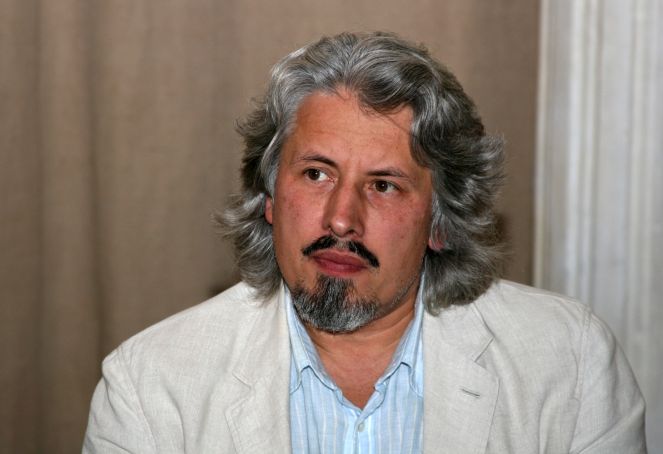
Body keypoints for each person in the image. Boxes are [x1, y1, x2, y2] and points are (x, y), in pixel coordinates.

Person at [83, 32, 646, 453]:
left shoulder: (569, 363)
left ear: (440, 222)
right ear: (269, 197)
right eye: (316, 174)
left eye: (383, 185)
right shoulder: (151, 386)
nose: (341, 220)